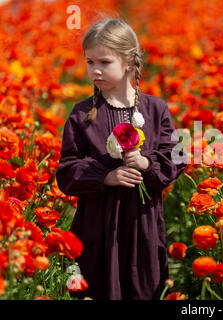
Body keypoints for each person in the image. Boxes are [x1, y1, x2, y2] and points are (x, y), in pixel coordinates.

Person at [56, 18, 187, 300]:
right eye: (90, 62)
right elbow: (66, 171)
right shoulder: (81, 115)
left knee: (143, 286)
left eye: (104, 62)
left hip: (142, 224)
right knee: (98, 286)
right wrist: (105, 177)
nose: (95, 70)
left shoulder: (155, 109)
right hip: (97, 225)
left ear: (129, 62)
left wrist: (146, 163)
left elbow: (176, 157)